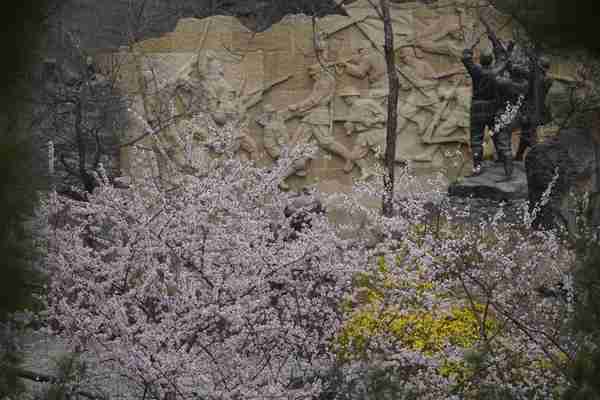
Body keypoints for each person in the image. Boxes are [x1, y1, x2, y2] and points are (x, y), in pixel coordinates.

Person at [288, 64, 356, 176]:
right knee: (299, 138)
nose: (312, 77)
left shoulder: (323, 83)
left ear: (320, 72)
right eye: (311, 75)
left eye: (314, 74)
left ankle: (349, 157)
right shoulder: (320, 82)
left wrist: (297, 106)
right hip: (312, 116)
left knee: (325, 142)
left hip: (319, 115)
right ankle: (292, 164)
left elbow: (314, 100)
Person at [461, 47, 508, 176]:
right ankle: (504, 164)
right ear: (491, 61)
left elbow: (465, 58)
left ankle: (477, 167)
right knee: (498, 136)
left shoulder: (476, 71)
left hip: (477, 107)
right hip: (493, 107)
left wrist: (469, 49)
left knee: (476, 139)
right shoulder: (496, 71)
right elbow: (504, 61)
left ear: (480, 61)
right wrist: (506, 50)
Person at [338, 85, 386, 180]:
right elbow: (351, 125)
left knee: (385, 155)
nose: (345, 100)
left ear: (353, 96)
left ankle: (407, 163)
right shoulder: (352, 109)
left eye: (346, 97)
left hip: (375, 133)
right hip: (363, 135)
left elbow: (385, 117)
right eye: (344, 98)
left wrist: (373, 121)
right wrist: (349, 126)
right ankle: (366, 171)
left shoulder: (368, 103)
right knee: (353, 155)